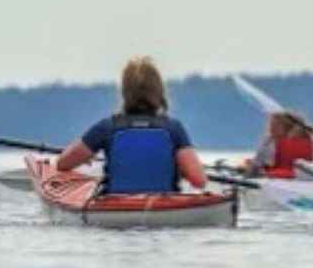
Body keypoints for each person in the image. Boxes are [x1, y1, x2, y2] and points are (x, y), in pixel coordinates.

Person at [55, 57, 207, 194]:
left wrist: (85, 155)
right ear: (159, 92)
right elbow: (199, 181)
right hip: (164, 210)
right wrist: (181, 170)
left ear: (124, 92)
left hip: (114, 210)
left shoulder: (106, 128)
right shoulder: (174, 129)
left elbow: (62, 163)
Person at [238, 111, 313, 179]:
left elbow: (257, 165)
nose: (269, 128)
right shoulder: (307, 139)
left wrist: (246, 176)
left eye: (272, 125)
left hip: (278, 179)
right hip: (302, 178)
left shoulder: (272, 142)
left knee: (249, 167)